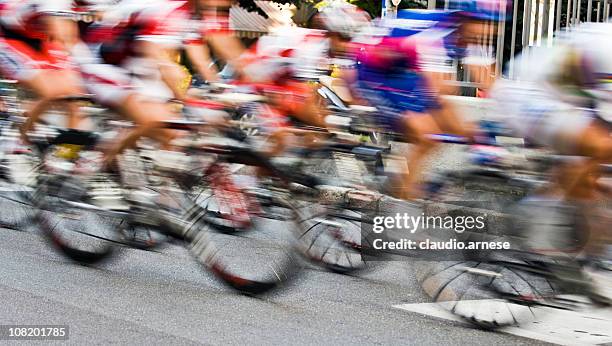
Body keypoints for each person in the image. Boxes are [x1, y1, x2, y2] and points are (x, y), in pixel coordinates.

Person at [352, 1, 509, 199]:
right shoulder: (437, 34)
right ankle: (401, 193)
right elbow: (437, 90)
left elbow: (490, 82)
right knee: (426, 134)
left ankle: (403, 183)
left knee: (455, 128)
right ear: (463, 18)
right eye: (482, 22)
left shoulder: (471, 36)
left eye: (495, 24)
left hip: (400, 69)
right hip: (372, 69)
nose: (490, 30)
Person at [0, 0, 86, 143]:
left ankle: (69, 155)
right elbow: (60, 33)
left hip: (40, 38)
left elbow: (68, 32)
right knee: (53, 92)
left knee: (75, 97)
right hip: (11, 39)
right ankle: (21, 137)